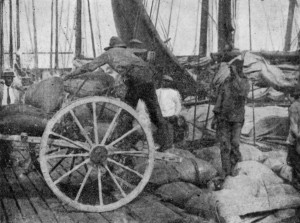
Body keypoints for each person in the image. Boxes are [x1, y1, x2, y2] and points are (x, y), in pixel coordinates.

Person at [64, 36, 172, 150]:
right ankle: (166, 143)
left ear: (111, 47)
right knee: (155, 112)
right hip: (148, 80)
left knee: (126, 113)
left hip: (135, 80)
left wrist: (71, 74)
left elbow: (89, 67)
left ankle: (121, 142)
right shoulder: (129, 53)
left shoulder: (109, 53)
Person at [211, 59, 250, 179]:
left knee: (235, 143)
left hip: (237, 119)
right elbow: (219, 100)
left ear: (238, 69)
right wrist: (215, 116)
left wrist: (237, 76)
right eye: (230, 69)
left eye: (232, 69)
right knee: (224, 145)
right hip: (224, 118)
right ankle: (225, 170)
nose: (231, 71)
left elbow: (243, 93)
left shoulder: (244, 81)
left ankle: (234, 167)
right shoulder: (226, 83)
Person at [156, 75, 184, 147]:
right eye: (164, 81)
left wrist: (176, 115)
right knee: (161, 132)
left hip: (170, 116)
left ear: (170, 83)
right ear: (162, 81)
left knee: (170, 132)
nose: (165, 83)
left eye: (168, 82)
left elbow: (178, 105)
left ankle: (169, 147)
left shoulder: (174, 92)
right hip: (160, 115)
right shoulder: (157, 91)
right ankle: (161, 147)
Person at [286, 87, 300, 190]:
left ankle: (296, 184)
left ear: (291, 96)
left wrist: (298, 136)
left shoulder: (293, 107)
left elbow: (293, 125)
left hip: (294, 140)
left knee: (295, 162)